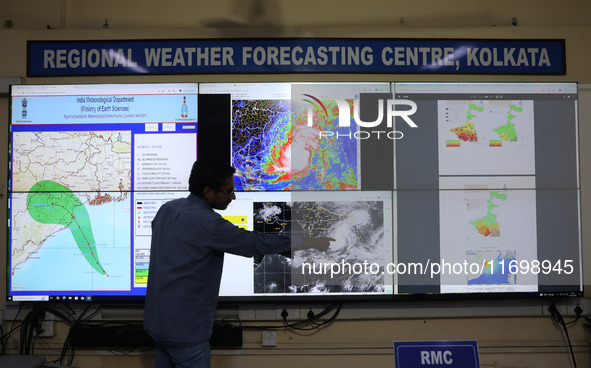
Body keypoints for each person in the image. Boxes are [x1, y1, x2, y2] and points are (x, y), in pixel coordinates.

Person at [144, 158, 332, 368]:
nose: (233, 196)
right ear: (208, 191)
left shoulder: (167, 209)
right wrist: (309, 241)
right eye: (228, 191)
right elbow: (255, 243)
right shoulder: (208, 224)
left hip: (158, 326)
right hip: (186, 332)